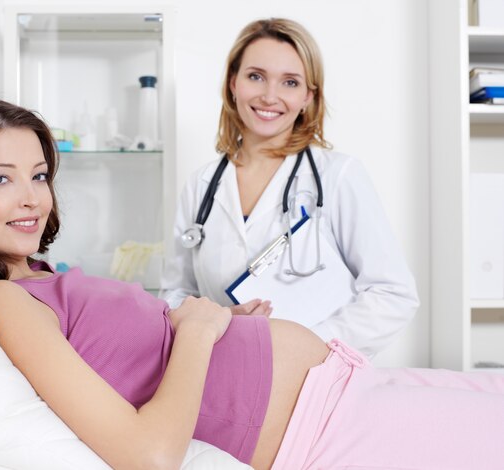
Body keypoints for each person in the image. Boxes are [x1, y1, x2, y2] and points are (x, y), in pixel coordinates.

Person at [0, 97, 504, 470]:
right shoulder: (6, 301)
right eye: (0, 179)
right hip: (324, 431)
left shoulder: (44, 278)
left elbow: (142, 360)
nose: (31, 197)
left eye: (39, 175)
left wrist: (219, 328)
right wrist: (199, 333)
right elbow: (148, 455)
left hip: (345, 387)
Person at [160, 18, 419, 357]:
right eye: (256, 76)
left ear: (308, 97)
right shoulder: (202, 185)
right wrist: (219, 318)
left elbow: (393, 294)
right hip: (227, 371)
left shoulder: (337, 176)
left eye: (290, 82)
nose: (270, 96)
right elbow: (175, 296)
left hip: (320, 380)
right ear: (233, 83)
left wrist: (305, 347)